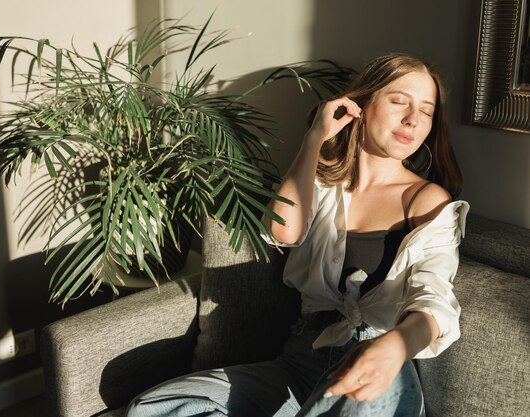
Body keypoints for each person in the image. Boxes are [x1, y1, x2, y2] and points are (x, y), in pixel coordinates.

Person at [126, 53, 469, 417]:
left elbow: (434, 299)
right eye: (399, 101)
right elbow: (283, 229)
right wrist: (315, 138)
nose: (413, 119)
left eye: (427, 111)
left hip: (374, 370)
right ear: (362, 105)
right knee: (153, 407)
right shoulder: (322, 184)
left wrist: (396, 346)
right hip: (298, 364)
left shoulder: (426, 200)